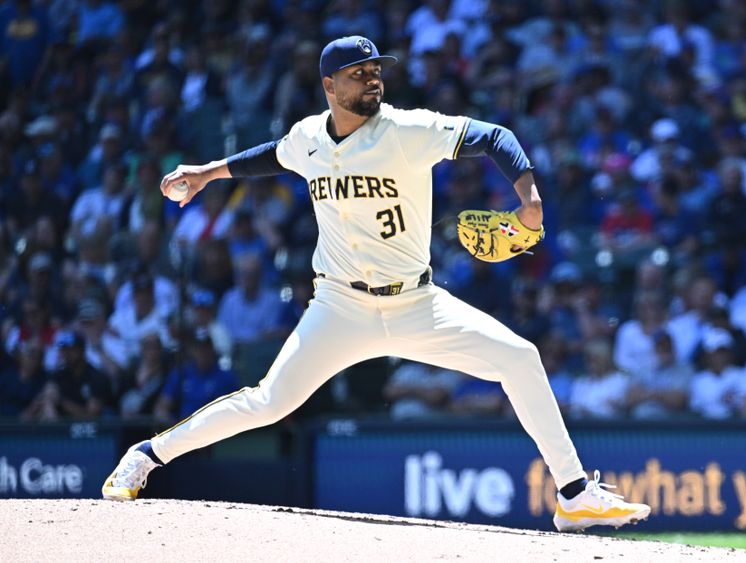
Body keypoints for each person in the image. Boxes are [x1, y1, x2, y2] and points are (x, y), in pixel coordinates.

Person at [103, 35, 649, 532]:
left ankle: (575, 494)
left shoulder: (407, 130)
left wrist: (529, 199)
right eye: (357, 71)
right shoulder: (308, 139)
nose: (371, 79)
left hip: (417, 303)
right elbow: (271, 157)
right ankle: (149, 454)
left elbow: (494, 136)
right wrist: (207, 172)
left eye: (375, 70)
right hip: (339, 306)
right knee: (269, 401)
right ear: (328, 86)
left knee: (520, 357)